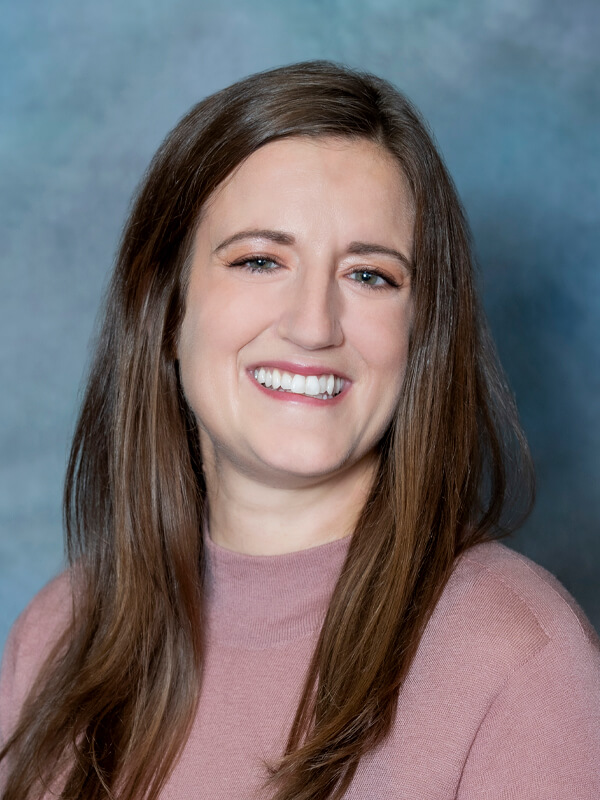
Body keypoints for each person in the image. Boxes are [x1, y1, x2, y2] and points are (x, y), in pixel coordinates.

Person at [0, 60, 599, 800]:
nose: (313, 325)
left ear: (422, 334)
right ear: (165, 309)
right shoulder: (59, 634)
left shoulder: (516, 659)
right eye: (259, 260)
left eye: (370, 275)